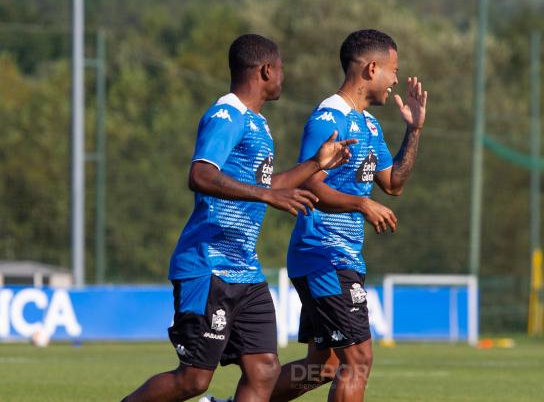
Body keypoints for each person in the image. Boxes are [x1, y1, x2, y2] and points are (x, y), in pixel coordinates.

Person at [122, 34, 356, 402]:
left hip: (246, 272)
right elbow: (200, 174)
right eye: (280, 69)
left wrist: (315, 164)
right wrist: (268, 194)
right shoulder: (226, 115)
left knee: (264, 370)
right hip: (208, 267)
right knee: (194, 381)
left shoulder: (259, 125)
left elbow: (267, 184)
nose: (283, 76)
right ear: (266, 71)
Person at [270, 29, 427, 402]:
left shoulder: (370, 125)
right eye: (393, 70)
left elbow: (394, 184)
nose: (395, 80)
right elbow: (309, 184)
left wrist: (414, 130)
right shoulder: (329, 118)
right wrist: (361, 203)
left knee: (322, 366)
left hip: (340, 256)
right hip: (323, 254)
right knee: (358, 359)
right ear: (372, 68)